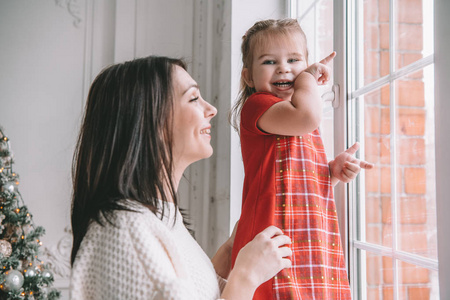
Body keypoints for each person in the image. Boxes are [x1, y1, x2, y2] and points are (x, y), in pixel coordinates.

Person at [69, 56, 293, 300]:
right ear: (151, 119)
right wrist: (246, 275)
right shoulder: (126, 232)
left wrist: (229, 255)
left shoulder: (160, 220)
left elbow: (186, 290)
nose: (212, 109)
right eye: (194, 98)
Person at [229, 19, 374, 299]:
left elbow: (294, 182)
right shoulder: (258, 106)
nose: (284, 68)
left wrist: (330, 172)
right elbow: (307, 116)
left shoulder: (296, 115)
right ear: (248, 77)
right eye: (269, 62)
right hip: (271, 241)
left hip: (306, 235)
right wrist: (307, 76)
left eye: (294, 59)